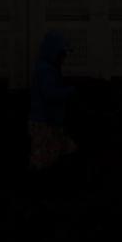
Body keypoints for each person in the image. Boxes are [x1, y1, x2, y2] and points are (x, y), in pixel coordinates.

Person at [28, 31, 78, 170]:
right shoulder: (46, 70)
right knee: (43, 160)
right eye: (62, 54)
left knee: (52, 155)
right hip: (45, 123)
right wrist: (71, 91)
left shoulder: (46, 68)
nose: (64, 58)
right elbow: (50, 94)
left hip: (48, 122)